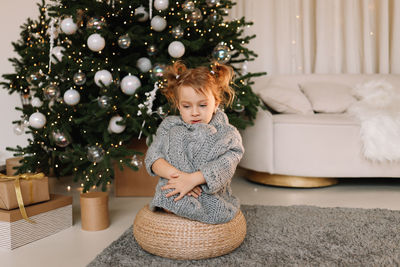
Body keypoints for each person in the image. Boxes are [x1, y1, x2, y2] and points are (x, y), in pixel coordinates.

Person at [144, 60, 244, 224]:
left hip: (207, 191)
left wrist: (193, 180)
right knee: (175, 136)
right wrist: (180, 178)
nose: (195, 113)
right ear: (178, 105)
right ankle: (177, 207)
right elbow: (153, 157)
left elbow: (227, 163)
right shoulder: (170, 126)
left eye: (203, 105)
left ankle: (199, 210)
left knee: (216, 210)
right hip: (176, 187)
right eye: (187, 106)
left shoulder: (227, 134)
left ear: (215, 104)